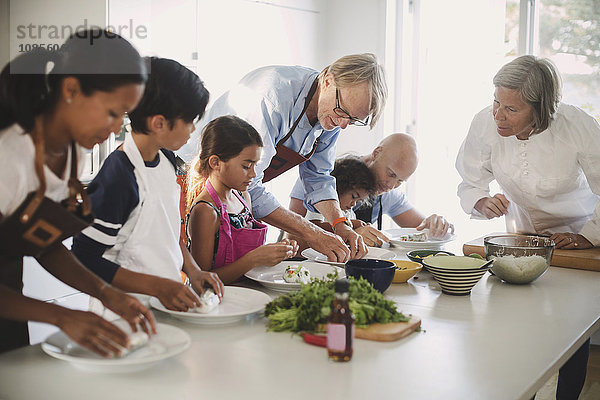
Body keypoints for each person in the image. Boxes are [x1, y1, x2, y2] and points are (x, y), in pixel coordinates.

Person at [0, 29, 156, 357]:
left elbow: (43, 245)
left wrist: (105, 293)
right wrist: (62, 315)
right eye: (113, 113)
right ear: (71, 88)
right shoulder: (8, 157)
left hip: (10, 303)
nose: (117, 129)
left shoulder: (73, 153)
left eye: (124, 117)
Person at [455, 54, 598, 400]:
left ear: (541, 108)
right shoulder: (486, 123)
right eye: (496, 102)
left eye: (511, 109)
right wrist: (480, 200)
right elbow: (470, 179)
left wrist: (589, 236)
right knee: (517, 327)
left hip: (577, 237)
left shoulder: (577, 126)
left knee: (572, 328)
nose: (498, 115)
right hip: (521, 237)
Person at [179, 53, 388, 262]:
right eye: (342, 111)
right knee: (193, 266)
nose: (343, 124)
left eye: (352, 120)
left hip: (236, 194)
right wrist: (312, 233)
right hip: (191, 177)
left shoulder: (333, 113)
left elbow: (319, 177)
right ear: (328, 80)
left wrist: (340, 223)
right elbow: (249, 185)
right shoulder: (272, 96)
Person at [72, 57, 224, 312]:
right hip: (121, 313)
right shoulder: (119, 175)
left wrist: (193, 271)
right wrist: (157, 287)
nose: (192, 130)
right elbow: (85, 257)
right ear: (159, 123)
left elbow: (167, 233)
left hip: (164, 304)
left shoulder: (166, 160)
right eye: (189, 121)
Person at [185, 115, 298, 285]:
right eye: (246, 166)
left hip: (247, 292)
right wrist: (253, 259)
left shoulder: (243, 196)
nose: (253, 174)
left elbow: (247, 255)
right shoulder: (206, 211)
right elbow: (202, 281)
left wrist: (275, 252)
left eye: (255, 165)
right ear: (216, 162)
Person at [289, 133, 455, 247]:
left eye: (400, 182)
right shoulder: (321, 176)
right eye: (391, 174)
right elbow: (292, 237)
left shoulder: (387, 194)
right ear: (377, 153)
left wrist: (434, 223)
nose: (391, 186)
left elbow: (421, 230)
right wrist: (349, 232)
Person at [287, 156, 376, 252]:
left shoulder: (348, 212)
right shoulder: (321, 202)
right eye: (353, 196)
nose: (353, 204)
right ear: (340, 186)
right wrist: (352, 225)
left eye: (358, 201)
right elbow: (314, 225)